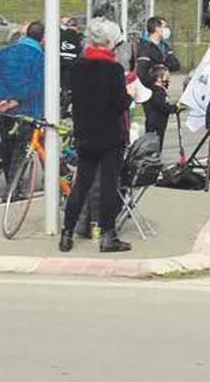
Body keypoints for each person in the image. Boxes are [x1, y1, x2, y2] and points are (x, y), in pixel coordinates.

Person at [60, 18, 133, 253]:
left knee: (81, 183)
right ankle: (108, 236)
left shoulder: (78, 67)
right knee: (108, 185)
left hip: (84, 132)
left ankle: (67, 233)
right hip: (110, 135)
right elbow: (120, 104)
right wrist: (130, 93)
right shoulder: (113, 70)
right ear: (110, 42)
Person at [0, 21, 46, 119]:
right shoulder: (40, 58)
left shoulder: (3, 52)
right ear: (44, 37)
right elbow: (37, 84)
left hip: (2, 108)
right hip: (30, 110)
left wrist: (3, 98)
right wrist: (16, 101)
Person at [134, 16, 180, 82]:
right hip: (151, 86)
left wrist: (162, 66)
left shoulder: (165, 46)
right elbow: (141, 72)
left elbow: (176, 65)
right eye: (164, 27)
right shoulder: (145, 47)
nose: (166, 30)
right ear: (157, 28)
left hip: (163, 83)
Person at [142, 64, 177, 147]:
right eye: (166, 77)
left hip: (157, 123)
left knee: (157, 142)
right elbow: (163, 106)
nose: (168, 79)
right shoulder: (157, 92)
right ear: (158, 78)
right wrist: (174, 108)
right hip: (155, 123)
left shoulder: (157, 90)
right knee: (155, 144)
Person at [59, 16, 82, 116]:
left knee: (63, 86)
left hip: (61, 62)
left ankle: (62, 104)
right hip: (72, 63)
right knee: (69, 88)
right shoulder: (78, 37)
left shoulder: (61, 34)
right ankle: (65, 108)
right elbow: (79, 50)